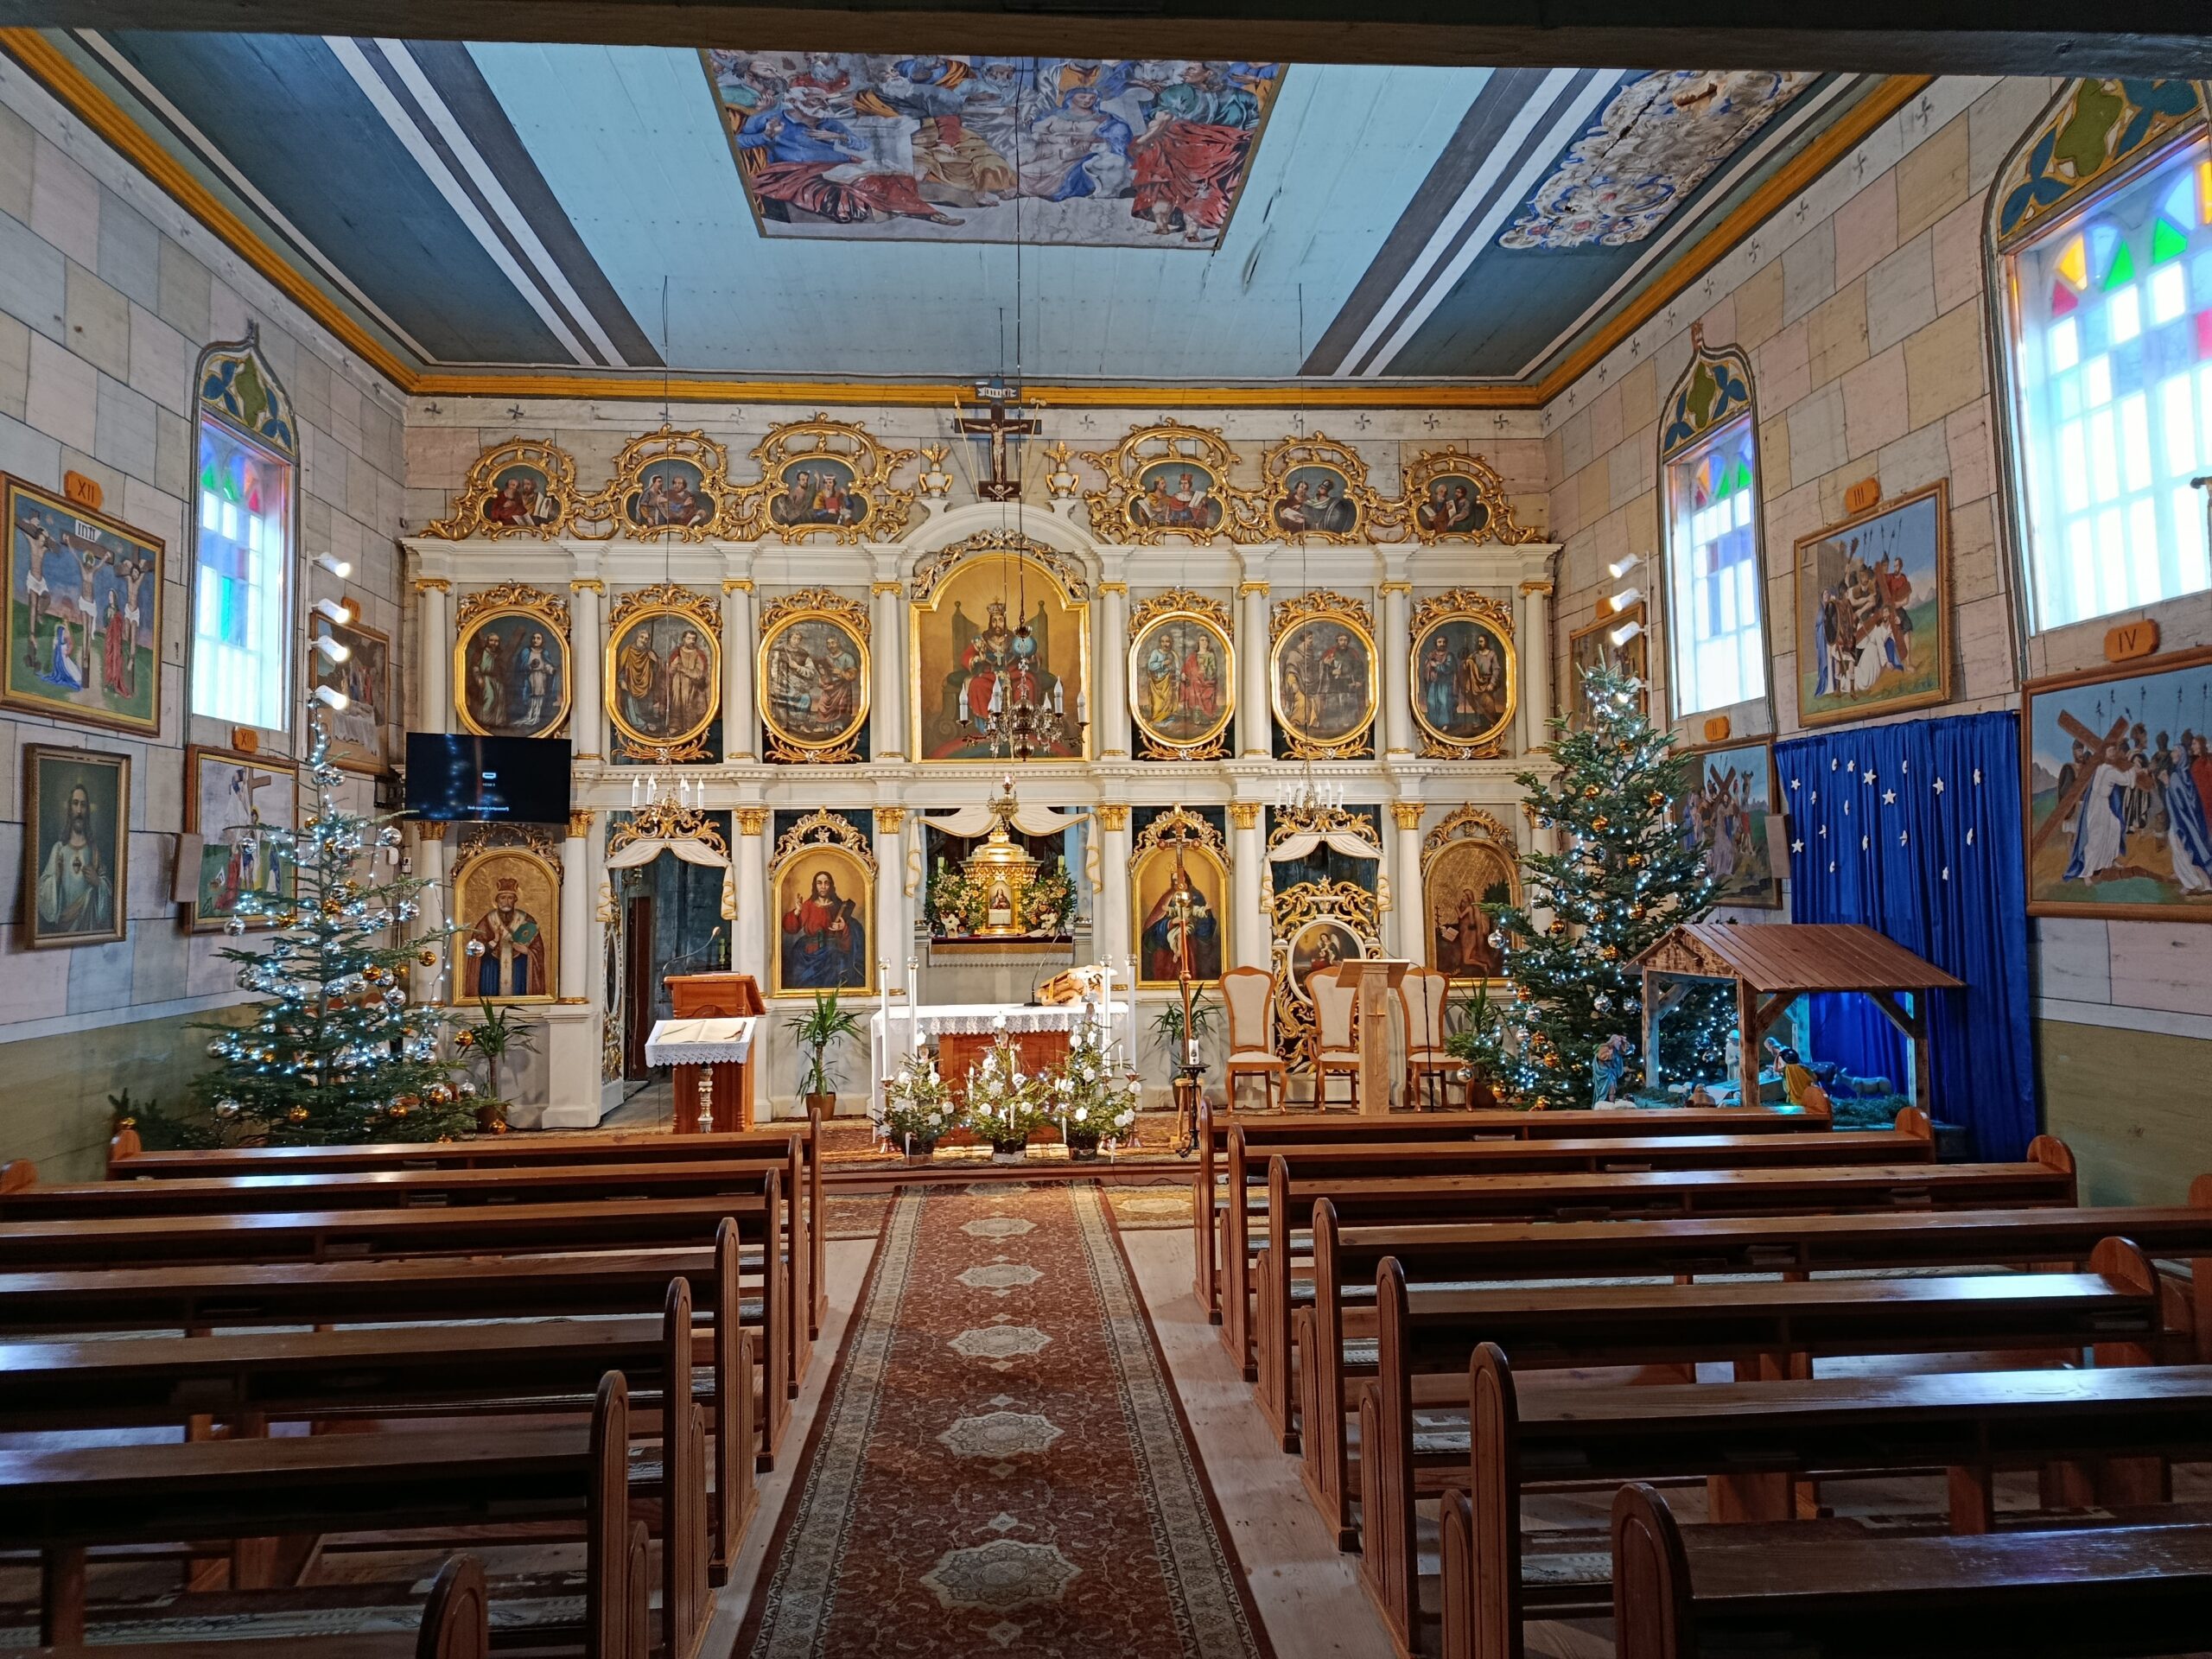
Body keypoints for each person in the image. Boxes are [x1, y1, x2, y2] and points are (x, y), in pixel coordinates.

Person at [2063, 734, 2147, 886]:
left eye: (2114, 751)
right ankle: (2087, 873)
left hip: (2104, 805)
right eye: (2110, 751)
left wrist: (2135, 771)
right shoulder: (2105, 769)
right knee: (2094, 839)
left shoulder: (2105, 768)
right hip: (2097, 806)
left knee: (2114, 829)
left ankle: (2108, 861)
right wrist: (2135, 769)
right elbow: (2127, 780)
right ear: (2105, 754)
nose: (2113, 754)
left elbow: (2125, 778)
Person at [37, 779, 112, 935]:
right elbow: (41, 891)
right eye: (75, 803)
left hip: (88, 928)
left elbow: (109, 893)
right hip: (62, 929)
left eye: (83, 805)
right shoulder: (59, 849)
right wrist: (56, 879)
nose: (79, 810)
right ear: (69, 808)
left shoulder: (94, 850)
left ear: (87, 810)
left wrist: (98, 882)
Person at [783, 868, 865, 988]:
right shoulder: (808, 905)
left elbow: (853, 928)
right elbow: (791, 928)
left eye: (826, 883)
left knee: (836, 963)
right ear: (815, 886)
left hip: (832, 952)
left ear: (830, 886)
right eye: (819, 883)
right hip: (808, 953)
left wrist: (843, 927)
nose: (823, 886)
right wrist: (797, 911)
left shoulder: (839, 906)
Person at [470, 876, 547, 998]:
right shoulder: (487, 921)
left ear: (515, 900)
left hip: (519, 970)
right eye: (503, 898)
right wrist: (494, 941)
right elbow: (473, 952)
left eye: (510, 898)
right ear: (496, 900)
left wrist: (527, 951)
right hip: (492, 972)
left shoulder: (526, 920)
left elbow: (538, 950)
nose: (506, 901)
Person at [1141, 866, 1219, 981]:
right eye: (1174, 880)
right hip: (1166, 950)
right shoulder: (1167, 897)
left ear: (1186, 879)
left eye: (1180, 879)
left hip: (1189, 946)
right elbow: (1153, 928)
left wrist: (1202, 915)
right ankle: (1176, 952)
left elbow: (1205, 931)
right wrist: (1171, 922)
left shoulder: (1196, 897)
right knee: (1173, 939)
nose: (1177, 882)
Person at [664, 628, 713, 735]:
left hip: (692, 686)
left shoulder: (699, 654)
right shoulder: (677, 653)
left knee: (689, 706)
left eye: (693, 639)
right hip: (677, 685)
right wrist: (673, 665)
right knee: (676, 704)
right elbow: (669, 672)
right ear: (683, 639)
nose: (691, 641)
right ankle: (675, 726)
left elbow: (699, 674)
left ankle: (690, 728)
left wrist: (683, 669)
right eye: (689, 638)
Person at [516, 630, 558, 730]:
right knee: (531, 696)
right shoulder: (526, 652)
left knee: (539, 696)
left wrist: (551, 669)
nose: (535, 640)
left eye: (538, 638)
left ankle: (536, 716)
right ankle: (529, 715)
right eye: (534, 638)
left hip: (541, 677)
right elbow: (521, 666)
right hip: (529, 677)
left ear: (542, 640)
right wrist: (529, 667)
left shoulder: (545, 653)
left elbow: (547, 665)